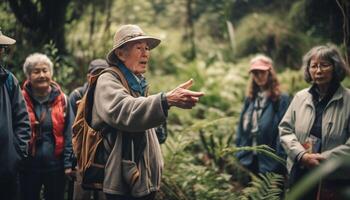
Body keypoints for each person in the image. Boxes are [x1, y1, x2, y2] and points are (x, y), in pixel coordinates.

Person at [90, 24, 204, 200]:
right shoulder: (108, 80)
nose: (146, 53)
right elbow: (124, 110)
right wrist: (166, 100)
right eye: (138, 48)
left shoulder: (138, 82)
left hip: (144, 182)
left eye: (147, 48)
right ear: (120, 54)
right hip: (123, 184)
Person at [279, 44, 350, 199]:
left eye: (324, 65)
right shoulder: (300, 97)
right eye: (314, 66)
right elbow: (285, 130)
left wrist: (323, 158)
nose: (318, 71)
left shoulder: (348, 100)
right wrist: (302, 155)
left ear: (336, 67)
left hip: (334, 176)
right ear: (308, 70)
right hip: (300, 172)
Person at [19, 53, 74, 200]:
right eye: (36, 71)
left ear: (51, 73)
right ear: (28, 76)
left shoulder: (63, 100)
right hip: (28, 166)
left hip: (56, 165)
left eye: (45, 70)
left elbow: (70, 134)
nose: (42, 75)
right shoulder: (19, 100)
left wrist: (68, 164)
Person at [236, 55, 289, 177]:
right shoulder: (250, 99)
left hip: (271, 164)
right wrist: (240, 153)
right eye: (255, 73)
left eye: (262, 72)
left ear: (270, 73)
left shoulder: (281, 99)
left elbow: (285, 132)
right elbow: (240, 128)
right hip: (249, 160)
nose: (258, 76)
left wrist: (279, 161)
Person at [69, 59, 108, 200]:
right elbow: (71, 129)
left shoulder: (110, 96)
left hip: (104, 155)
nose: (98, 78)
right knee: (81, 194)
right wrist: (71, 161)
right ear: (88, 76)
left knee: (104, 193)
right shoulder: (77, 95)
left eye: (103, 74)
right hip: (82, 155)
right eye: (95, 74)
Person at [0, 31, 31, 200]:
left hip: (6, 172)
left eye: (1, 48)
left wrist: (15, 156)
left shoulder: (9, 81)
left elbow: (23, 122)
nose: (0, 51)